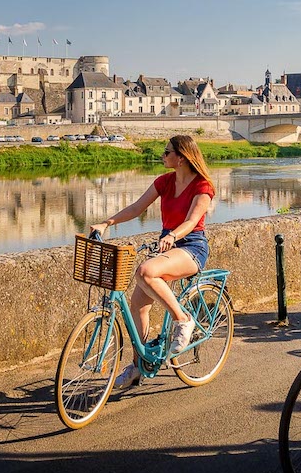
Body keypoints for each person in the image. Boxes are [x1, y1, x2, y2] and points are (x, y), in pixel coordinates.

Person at [89, 135, 215, 389]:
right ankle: (139, 365)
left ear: (181, 158)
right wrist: (106, 223)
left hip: (191, 246)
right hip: (167, 245)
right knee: (138, 306)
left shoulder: (203, 186)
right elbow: (136, 208)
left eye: (167, 152)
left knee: (145, 271)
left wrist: (173, 234)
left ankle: (183, 319)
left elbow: (191, 222)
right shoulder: (164, 182)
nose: (163, 156)